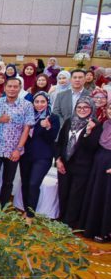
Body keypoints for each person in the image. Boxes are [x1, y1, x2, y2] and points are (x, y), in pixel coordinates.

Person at [0, 78, 35, 209]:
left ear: (20, 88)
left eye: (15, 87)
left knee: (8, 181)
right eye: (9, 86)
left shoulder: (27, 105)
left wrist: (18, 149)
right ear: (5, 88)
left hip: (13, 150)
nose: (12, 89)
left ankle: (1, 208)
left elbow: (27, 129)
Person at [56, 97, 102, 229]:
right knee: (63, 192)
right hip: (64, 164)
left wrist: (88, 132)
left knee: (76, 195)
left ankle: (69, 223)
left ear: (91, 108)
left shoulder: (96, 125)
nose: (82, 110)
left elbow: (92, 147)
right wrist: (58, 159)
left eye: (86, 107)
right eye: (79, 107)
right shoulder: (69, 121)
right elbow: (60, 142)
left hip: (82, 167)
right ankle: (61, 218)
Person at [17, 92, 60, 223]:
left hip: (43, 157)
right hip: (26, 155)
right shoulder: (28, 115)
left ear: (47, 102)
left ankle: (30, 215)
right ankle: (26, 209)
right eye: (37, 102)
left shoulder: (53, 117)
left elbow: (52, 138)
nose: (39, 104)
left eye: (43, 102)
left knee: (34, 183)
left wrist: (47, 128)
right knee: (25, 183)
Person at [79, 103, 111, 242]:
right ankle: (92, 228)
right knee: (96, 195)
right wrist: (88, 131)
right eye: (110, 108)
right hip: (99, 163)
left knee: (107, 198)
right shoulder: (105, 124)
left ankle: (106, 232)